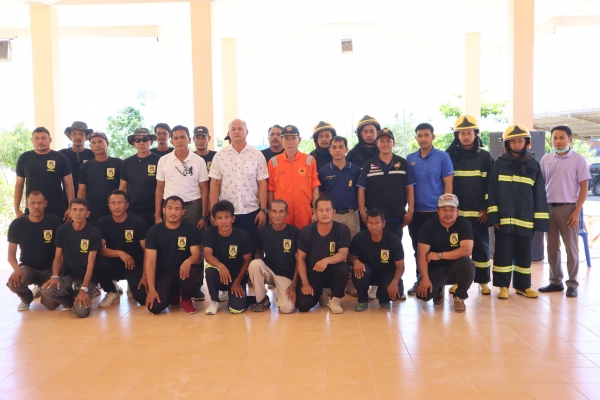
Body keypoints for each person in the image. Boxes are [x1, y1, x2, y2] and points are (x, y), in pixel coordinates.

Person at [487, 125, 549, 299]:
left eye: (520, 141)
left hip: (526, 220)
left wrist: (539, 220)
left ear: (526, 142)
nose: (516, 144)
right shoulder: (499, 164)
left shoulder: (533, 165)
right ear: (507, 143)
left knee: (524, 254)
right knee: (503, 253)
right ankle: (503, 287)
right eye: (513, 141)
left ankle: (523, 286)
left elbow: (539, 194)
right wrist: (494, 216)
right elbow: (491, 191)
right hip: (503, 221)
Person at [155, 125, 209, 301]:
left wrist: (204, 215)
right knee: (169, 245)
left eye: (183, 137)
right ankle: (172, 285)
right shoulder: (164, 160)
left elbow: (204, 189)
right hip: (170, 208)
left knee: (195, 246)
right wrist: (158, 214)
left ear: (189, 139)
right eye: (176, 138)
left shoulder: (198, 161)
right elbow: (159, 189)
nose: (179, 141)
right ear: (171, 140)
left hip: (193, 207)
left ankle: (196, 286)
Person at [539, 126, 590, 298]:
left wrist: (577, 212)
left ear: (570, 139)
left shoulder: (578, 160)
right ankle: (555, 281)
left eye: (562, 137)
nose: (558, 141)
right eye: (555, 138)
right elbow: (541, 185)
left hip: (569, 208)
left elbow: (584, 187)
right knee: (552, 248)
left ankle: (572, 284)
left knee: (571, 248)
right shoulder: (546, 159)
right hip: (549, 208)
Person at [446, 115, 494, 295]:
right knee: (456, 248)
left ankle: (483, 281)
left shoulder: (485, 157)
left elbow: (491, 185)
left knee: (482, 248)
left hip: (479, 213)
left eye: (469, 133)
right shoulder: (448, 157)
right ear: (457, 135)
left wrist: (487, 207)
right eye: (462, 133)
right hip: (456, 215)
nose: (466, 136)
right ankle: (457, 281)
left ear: (476, 134)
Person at [406, 123, 454, 295]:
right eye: (420, 135)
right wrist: (410, 209)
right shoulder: (410, 159)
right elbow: (408, 187)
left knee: (436, 250)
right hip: (417, 213)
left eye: (426, 135)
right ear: (416, 138)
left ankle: (438, 285)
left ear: (433, 137)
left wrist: (445, 209)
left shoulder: (443, 157)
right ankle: (420, 280)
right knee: (418, 249)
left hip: (436, 213)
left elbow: (448, 184)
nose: (423, 139)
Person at [209, 119, 269, 250]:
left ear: (247, 132)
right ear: (229, 133)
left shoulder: (257, 155)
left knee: (250, 249)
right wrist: (213, 210)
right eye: (233, 129)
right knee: (227, 250)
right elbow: (215, 184)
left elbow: (262, 183)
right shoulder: (220, 156)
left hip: (251, 212)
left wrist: (263, 210)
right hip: (226, 213)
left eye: (240, 128)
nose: (236, 132)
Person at [40, 198, 102, 318]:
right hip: (68, 277)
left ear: (87, 213)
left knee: (80, 312)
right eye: (74, 209)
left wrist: (84, 289)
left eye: (81, 210)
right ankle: (72, 299)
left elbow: (91, 264)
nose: (77, 213)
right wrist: (55, 276)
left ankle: (86, 294)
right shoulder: (62, 230)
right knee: (47, 292)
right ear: (69, 212)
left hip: (86, 280)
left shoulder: (94, 232)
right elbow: (58, 257)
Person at [416, 194, 475, 313]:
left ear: (458, 211)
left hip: (455, 267)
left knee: (467, 263)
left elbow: (466, 250)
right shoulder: (428, 226)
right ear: (437, 211)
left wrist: (439, 255)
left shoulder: (464, 225)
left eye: (452, 209)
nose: (448, 213)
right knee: (424, 295)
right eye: (444, 209)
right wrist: (425, 278)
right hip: (434, 268)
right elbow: (421, 254)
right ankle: (438, 290)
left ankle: (460, 296)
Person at [318, 136, 362, 297]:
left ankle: (351, 282)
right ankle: (331, 283)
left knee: (352, 249)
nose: (337, 150)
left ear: (346, 149)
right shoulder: (324, 171)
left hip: (351, 214)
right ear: (330, 150)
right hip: (332, 216)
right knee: (331, 249)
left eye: (340, 147)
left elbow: (360, 192)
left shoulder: (355, 169)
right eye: (334, 147)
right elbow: (321, 195)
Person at [144, 196, 202, 314]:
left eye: (177, 209)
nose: (173, 212)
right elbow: (150, 262)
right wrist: (152, 290)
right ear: (164, 210)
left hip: (183, 271)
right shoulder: (153, 232)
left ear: (183, 211)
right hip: (163, 274)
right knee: (154, 308)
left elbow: (197, 255)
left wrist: (188, 261)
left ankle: (186, 299)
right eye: (170, 208)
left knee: (192, 270)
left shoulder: (191, 229)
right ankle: (174, 294)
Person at [6, 190, 62, 311]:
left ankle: (44, 292)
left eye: (40, 203)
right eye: (33, 203)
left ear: (45, 203)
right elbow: (10, 255)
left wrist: (55, 275)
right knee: (13, 282)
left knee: (51, 305)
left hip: (50, 269)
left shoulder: (54, 221)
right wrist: (17, 270)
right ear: (27, 204)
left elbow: (61, 252)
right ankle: (27, 298)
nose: (36, 206)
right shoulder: (17, 224)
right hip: (28, 268)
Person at [296, 196, 351, 314]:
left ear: (334, 212)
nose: (324, 213)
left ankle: (335, 299)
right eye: (321, 210)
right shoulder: (306, 231)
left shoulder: (342, 229)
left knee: (343, 267)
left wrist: (326, 260)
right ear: (315, 212)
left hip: (332, 273)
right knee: (302, 305)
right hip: (312, 274)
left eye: (328, 210)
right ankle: (320, 292)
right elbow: (300, 259)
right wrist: (305, 283)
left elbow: (343, 254)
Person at [358, 128, 415, 240]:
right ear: (377, 143)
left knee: (395, 246)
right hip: (374, 217)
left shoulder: (403, 163)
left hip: (397, 216)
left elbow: (409, 188)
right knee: (374, 247)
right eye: (382, 141)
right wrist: (362, 212)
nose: (385, 144)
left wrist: (411, 210)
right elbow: (361, 189)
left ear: (394, 143)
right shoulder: (369, 164)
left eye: (388, 141)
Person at [94, 190, 148, 308]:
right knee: (97, 260)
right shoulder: (102, 223)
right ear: (109, 206)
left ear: (127, 205)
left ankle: (132, 286)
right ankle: (111, 292)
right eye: (113, 203)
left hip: (134, 265)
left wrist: (145, 276)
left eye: (120, 203)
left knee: (142, 298)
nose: (116, 206)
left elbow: (147, 251)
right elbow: (99, 249)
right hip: (114, 264)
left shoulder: (138, 222)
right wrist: (120, 253)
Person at [350, 208, 405, 312]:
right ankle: (363, 300)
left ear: (383, 223)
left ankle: (382, 297)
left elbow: (400, 266)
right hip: (367, 272)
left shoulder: (393, 240)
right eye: (370, 223)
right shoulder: (359, 238)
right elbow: (351, 257)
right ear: (366, 224)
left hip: (387, 273)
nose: (373, 226)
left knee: (397, 292)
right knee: (358, 272)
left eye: (377, 223)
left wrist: (394, 282)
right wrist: (356, 262)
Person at [203, 200, 252, 315]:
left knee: (237, 309)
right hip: (219, 274)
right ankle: (214, 301)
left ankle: (233, 294)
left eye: (226, 217)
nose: (223, 221)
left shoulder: (243, 236)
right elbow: (207, 255)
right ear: (214, 221)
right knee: (210, 270)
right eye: (219, 218)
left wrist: (237, 282)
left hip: (236, 277)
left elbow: (247, 261)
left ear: (232, 219)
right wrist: (220, 266)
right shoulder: (209, 233)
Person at [249, 199, 299, 313]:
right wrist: (257, 272)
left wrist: (293, 285)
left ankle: (281, 297)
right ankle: (262, 300)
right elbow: (259, 252)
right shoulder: (262, 232)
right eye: (274, 211)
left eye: (281, 211)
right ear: (270, 213)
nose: (277, 215)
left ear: (287, 214)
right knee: (254, 264)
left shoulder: (295, 232)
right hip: (269, 271)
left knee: (286, 308)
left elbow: (299, 261)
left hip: (286, 276)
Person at [15, 127, 74, 221]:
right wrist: (17, 208)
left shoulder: (60, 157)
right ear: (32, 140)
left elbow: (69, 184)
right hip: (33, 208)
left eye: (43, 138)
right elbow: (19, 184)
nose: (40, 141)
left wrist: (70, 208)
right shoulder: (24, 158)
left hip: (57, 208)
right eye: (37, 138)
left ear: (50, 140)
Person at [267, 125, 320, 229]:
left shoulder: (309, 160)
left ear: (299, 140)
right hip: (281, 212)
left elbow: (314, 187)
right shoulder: (273, 162)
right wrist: (271, 213)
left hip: (303, 211)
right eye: (286, 139)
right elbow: (271, 190)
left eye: (293, 138)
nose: (290, 142)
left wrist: (316, 211)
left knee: (304, 236)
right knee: (283, 237)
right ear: (281, 141)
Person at [119, 127, 161, 228]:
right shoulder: (127, 162)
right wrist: (122, 208)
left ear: (151, 141)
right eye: (137, 140)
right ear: (134, 143)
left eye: (145, 139)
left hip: (153, 210)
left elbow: (162, 187)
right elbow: (123, 188)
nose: (141, 143)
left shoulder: (160, 161)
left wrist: (158, 214)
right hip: (132, 210)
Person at [78, 131, 122, 225]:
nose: (97, 145)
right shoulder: (85, 166)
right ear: (90, 146)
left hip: (115, 209)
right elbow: (82, 192)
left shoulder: (119, 163)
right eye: (93, 143)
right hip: (93, 210)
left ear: (107, 143)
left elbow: (124, 187)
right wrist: (82, 210)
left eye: (100, 141)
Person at [60, 121, 94, 198]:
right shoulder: (61, 155)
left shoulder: (92, 155)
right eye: (74, 134)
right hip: (65, 198)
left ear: (86, 136)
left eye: (81, 134)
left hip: (88, 198)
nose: (78, 137)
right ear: (70, 136)